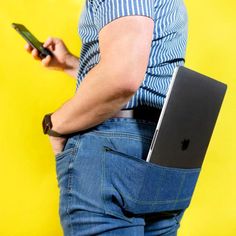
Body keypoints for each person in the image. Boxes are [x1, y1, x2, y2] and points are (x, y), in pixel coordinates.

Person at [26, 0, 189, 235]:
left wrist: (54, 124)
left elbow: (122, 76)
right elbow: (140, 73)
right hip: (164, 150)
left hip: (111, 151)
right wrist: (70, 63)